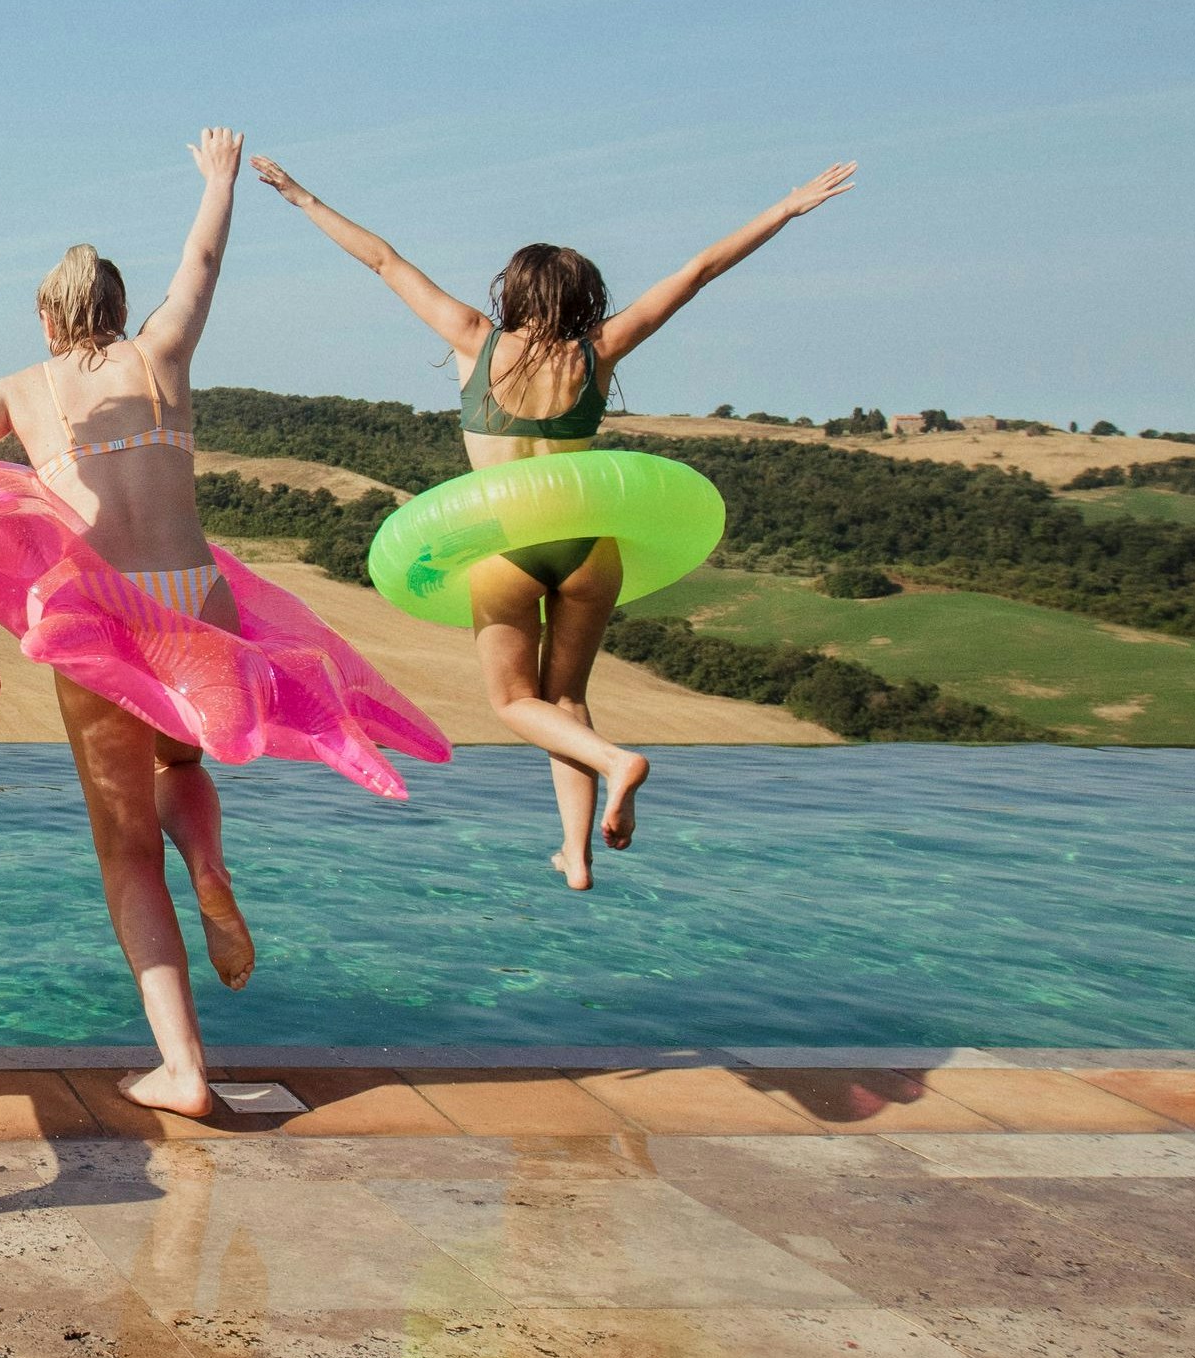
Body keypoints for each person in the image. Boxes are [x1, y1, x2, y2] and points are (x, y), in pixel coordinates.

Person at [253, 154, 857, 887]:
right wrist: (785, 207)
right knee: (566, 699)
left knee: (515, 702)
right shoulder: (597, 352)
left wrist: (299, 195)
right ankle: (575, 852)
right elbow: (698, 271)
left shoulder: (476, 339)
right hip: (586, 549)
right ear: (582, 298)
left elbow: (382, 259)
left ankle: (614, 762)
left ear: (514, 291)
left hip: (504, 546)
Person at [0, 129, 263, 1118]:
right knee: (181, 768)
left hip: (103, 615)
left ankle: (183, 1068)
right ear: (120, 310)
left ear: (45, 315)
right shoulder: (163, 350)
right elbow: (200, 266)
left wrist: (28, 513)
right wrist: (218, 180)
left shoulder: (19, 390)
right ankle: (207, 859)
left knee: (124, 847)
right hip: (195, 593)